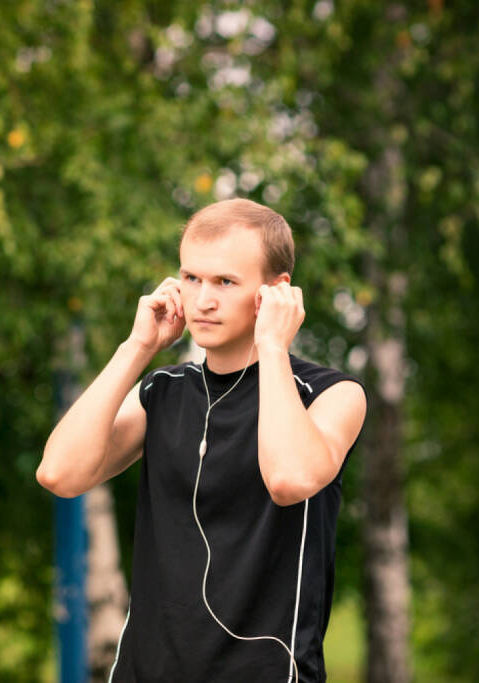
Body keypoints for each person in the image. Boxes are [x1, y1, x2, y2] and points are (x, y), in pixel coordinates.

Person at [36, 198, 368, 682]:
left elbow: (289, 478)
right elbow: (59, 474)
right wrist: (138, 348)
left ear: (276, 292)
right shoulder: (162, 391)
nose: (203, 300)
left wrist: (273, 346)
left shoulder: (332, 395)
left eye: (225, 282)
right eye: (192, 278)